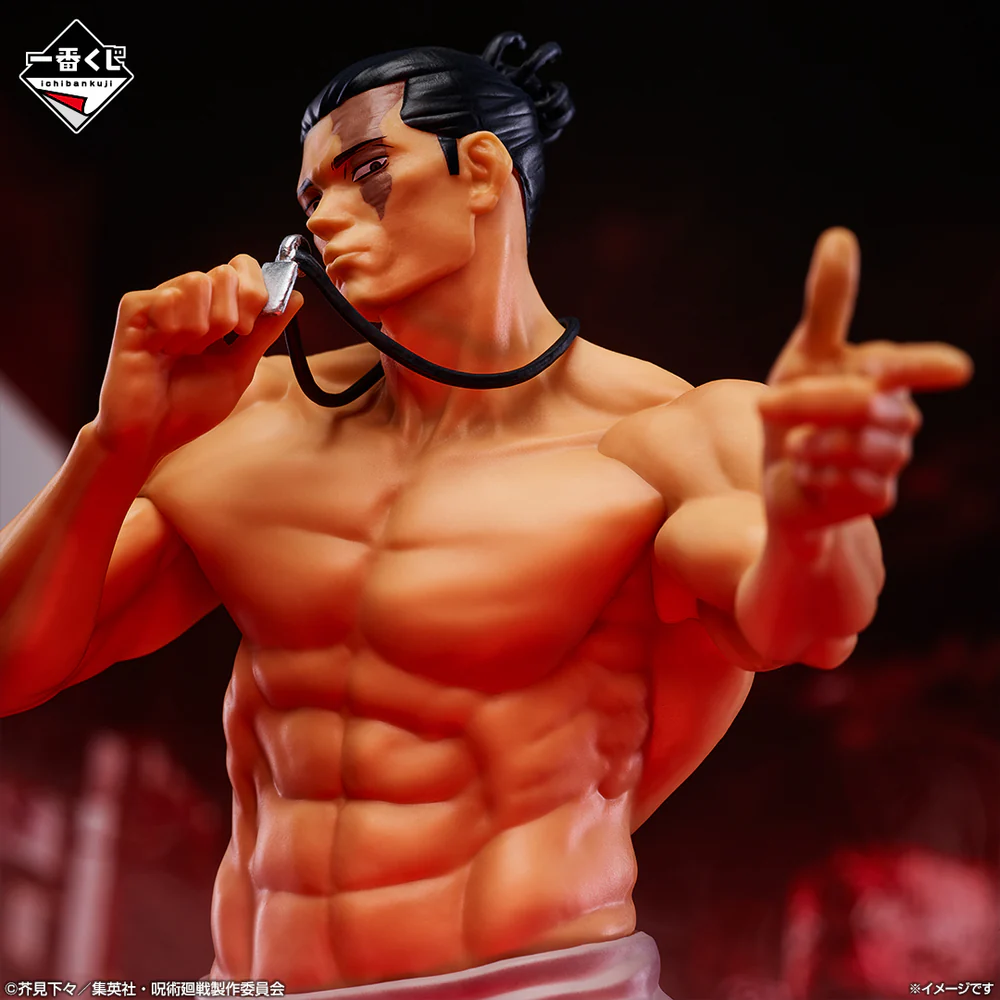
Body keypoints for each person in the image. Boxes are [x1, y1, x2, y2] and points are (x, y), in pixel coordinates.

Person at [0, 33, 972, 999]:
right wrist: (114, 444)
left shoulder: (657, 436)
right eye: (310, 198)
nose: (323, 221)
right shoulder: (251, 421)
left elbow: (801, 620)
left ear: (479, 168)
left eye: (365, 171)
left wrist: (817, 516)